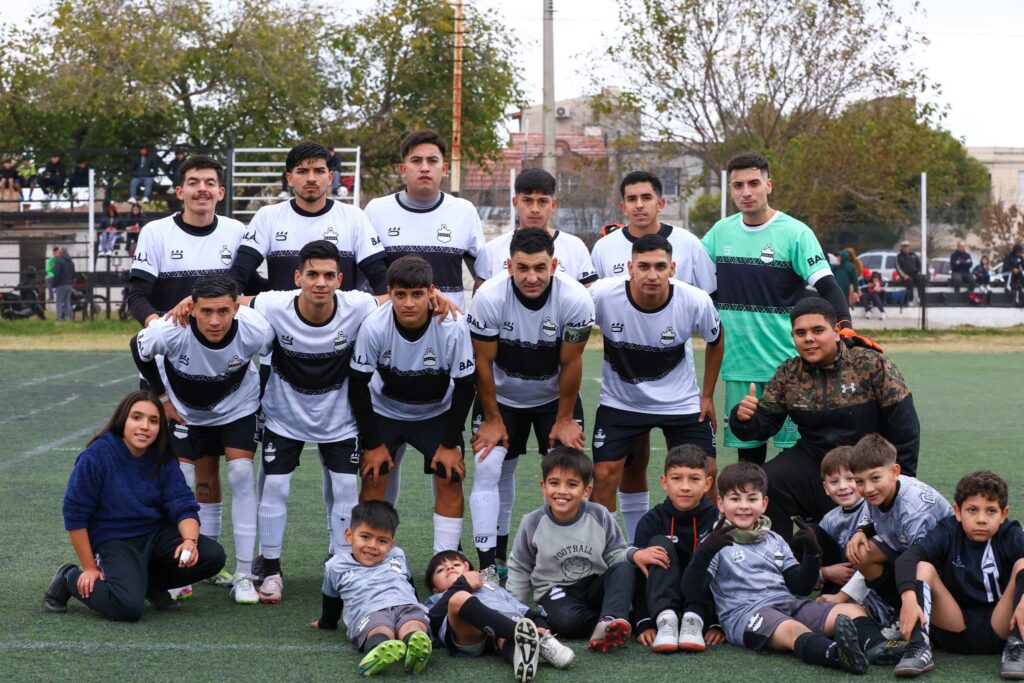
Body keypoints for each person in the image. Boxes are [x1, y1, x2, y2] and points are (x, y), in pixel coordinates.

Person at [701, 153, 877, 468]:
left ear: (768, 185)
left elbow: (828, 287)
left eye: (754, 183)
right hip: (740, 367)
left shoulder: (796, 233)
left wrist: (844, 326)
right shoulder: (719, 233)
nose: (746, 192)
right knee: (749, 461)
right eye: (738, 185)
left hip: (791, 369)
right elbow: (688, 275)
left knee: (800, 457)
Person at [125, 156, 249, 589]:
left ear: (220, 191)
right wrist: (161, 328)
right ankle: (170, 558)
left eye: (210, 182)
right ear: (180, 191)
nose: (201, 189)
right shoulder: (156, 232)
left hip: (220, 371)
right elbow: (137, 293)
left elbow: (254, 291)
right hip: (168, 370)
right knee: (172, 469)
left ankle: (204, 561)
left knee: (210, 464)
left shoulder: (237, 233)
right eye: (193, 182)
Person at [681, 462, 906, 674]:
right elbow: (692, 591)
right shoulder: (713, 542)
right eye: (735, 499)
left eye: (752, 498)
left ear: (764, 503)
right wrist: (704, 552)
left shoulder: (774, 539)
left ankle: (877, 647)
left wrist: (812, 554)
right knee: (792, 629)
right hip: (747, 615)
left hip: (788, 603)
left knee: (852, 610)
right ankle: (837, 655)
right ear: (721, 503)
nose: (744, 506)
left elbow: (801, 586)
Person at [130, 275, 274, 604]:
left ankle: (244, 574)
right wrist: (162, 399)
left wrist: (264, 396)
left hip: (237, 406)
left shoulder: (256, 328)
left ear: (236, 308)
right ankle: (181, 572)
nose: (215, 321)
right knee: (182, 479)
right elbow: (138, 348)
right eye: (206, 311)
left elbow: (271, 355)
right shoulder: (171, 329)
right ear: (192, 309)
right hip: (184, 410)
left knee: (241, 473)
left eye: (223, 311)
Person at [249, 240, 378, 603]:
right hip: (283, 417)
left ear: (340, 280)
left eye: (328, 275)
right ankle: (270, 568)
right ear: (298, 278)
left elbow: (396, 304)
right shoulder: (273, 304)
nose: (320, 282)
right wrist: (189, 302)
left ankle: (341, 565)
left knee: (346, 487)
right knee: (275, 487)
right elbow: (231, 303)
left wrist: (435, 300)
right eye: (312, 274)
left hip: (339, 419)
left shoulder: (359, 305)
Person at [728, 297, 920, 537]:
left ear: (836, 332)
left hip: (864, 464)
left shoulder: (872, 365)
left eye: (817, 330)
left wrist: (900, 484)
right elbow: (761, 427)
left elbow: (905, 429)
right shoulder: (789, 373)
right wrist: (742, 418)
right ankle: (778, 553)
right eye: (800, 333)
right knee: (769, 480)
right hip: (814, 461)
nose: (809, 338)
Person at [590, 171, 717, 524]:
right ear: (630, 267)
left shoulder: (689, 251)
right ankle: (621, 548)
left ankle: (707, 544)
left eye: (646, 197)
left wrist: (707, 395)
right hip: (623, 394)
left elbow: (713, 328)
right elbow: (579, 313)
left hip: (679, 392)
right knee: (620, 468)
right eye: (632, 198)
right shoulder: (604, 257)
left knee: (705, 471)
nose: (651, 274)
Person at [467, 228, 594, 572]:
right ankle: (489, 566)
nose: (532, 277)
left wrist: (564, 419)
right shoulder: (489, 297)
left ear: (553, 265)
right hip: (502, 397)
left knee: (567, 473)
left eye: (540, 267)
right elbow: (482, 362)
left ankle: (564, 559)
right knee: (489, 467)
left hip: (553, 398)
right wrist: (493, 419)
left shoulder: (576, 298)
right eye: (522, 268)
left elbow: (572, 362)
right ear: (509, 266)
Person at [43, 391, 226, 621]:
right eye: (137, 417)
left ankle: (148, 585)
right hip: (116, 539)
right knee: (128, 608)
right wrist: (89, 568)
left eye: (153, 421)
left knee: (212, 556)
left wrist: (190, 541)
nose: (145, 426)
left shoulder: (162, 457)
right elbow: (75, 516)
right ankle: (68, 577)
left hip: (155, 534)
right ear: (122, 420)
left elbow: (183, 505)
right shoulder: (96, 456)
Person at [349, 255, 475, 553]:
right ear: (389, 293)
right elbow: (357, 385)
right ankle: (372, 560)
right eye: (400, 294)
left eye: (417, 294)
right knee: (373, 474)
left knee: (450, 474)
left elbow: (466, 385)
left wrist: (449, 444)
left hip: (435, 412)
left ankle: (446, 557)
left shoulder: (453, 325)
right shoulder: (374, 325)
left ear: (431, 292)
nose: (408, 303)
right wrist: (373, 443)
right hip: (386, 410)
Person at [893, 471, 1024, 678]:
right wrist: (908, 598)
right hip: (954, 625)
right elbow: (907, 558)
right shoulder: (948, 530)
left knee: (1022, 564)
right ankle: (919, 645)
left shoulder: (1010, 533)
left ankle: (1017, 647)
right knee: (923, 567)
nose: (981, 520)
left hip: (1003, 627)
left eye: (991, 511)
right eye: (972, 510)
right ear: (958, 511)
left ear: (1003, 514)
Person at [506, 447, 636, 651]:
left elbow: (614, 553)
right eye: (554, 483)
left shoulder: (599, 514)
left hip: (593, 585)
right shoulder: (532, 522)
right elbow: (520, 567)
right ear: (543, 486)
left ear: (586, 491)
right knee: (567, 622)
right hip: (555, 590)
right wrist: (515, 610)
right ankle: (619, 623)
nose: (562, 491)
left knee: (625, 568)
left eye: (572, 484)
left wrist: (634, 554)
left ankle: (609, 620)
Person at [229, 140, 388, 295]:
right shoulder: (267, 216)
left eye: (319, 171)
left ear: (330, 177)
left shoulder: (354, 217)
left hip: (342, 315)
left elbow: (381, 280)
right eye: (302, 171)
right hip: (280, 314)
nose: (311, 178)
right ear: (289, 178)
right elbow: (240, 273)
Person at [364, 130, 485, 310]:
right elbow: (364, 278)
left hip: (447, 323)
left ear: (444, 169)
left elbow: (484, 277)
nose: (425, 168)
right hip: (391, 323)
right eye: (416, 160)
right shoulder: (376, 211)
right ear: (403, 169)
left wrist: (474, 317)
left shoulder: (465, 212)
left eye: (432, 160)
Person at [312, 501, 433, 677]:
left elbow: (409, 583)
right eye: (365, 537)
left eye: (382, 540)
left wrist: (416, 606)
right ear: (349, 535)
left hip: (405, 604)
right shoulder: (336, 566)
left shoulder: (397, 554)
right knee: (379, 628)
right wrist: (326, 623)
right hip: (370, 611)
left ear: (391, 543)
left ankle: (416, 643)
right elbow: (331, 599)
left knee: (414, 623)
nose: (373, 545)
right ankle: (381, 648)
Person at [423, 550, 576, 680]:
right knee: (458, 598)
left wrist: (541, 626)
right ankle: (538, 640)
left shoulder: (493, 588)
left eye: (456, 564)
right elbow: (432, 621)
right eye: (440, 570)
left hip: (503, 627)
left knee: (505, 636)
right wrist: (461, 584)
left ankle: (520, 657)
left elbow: (529, 613)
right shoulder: (436, 599)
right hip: (469, 635)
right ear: (434, 589)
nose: (449, 567)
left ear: (467, 568)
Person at [628, 444, 722, 653]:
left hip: (701, 608)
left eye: (694, 479)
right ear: (664, 482)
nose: (685, 487)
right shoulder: (651, 520)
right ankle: (666, 619)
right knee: (658, 543)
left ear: (707, 483)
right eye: (677, 478)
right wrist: (643, 621)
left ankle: (695, 618)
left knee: (708, 547)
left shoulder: (717, 521)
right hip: (660, 607)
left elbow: (728, 575)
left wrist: (717, 622)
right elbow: (639, 574)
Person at [845, 434, 953, 609]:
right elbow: (873, 519)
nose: (868, 488)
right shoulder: (880, 490)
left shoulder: (914, 509)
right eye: (859, 481)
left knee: (918, 572)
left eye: (875, 478)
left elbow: (922, 562)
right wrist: (860, 532)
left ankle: (921, 613)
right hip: (907, 549)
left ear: (895, 472)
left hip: (942, 564)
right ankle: (896, 608)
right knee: (860, 552)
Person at [475, 168, 598, 286]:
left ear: (553, 204)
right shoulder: (492, 251)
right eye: (527, 200)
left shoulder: (575, 247)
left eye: (542, 201)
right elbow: (481, 298)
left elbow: (589, 295)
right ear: (515, 202)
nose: (535, 209)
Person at [812, 446, 869, 598]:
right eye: (834, 481)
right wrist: (826, 573)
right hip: (841, 578)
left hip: (871, 578)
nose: (843, 486)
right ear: (826, 488)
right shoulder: (829, 520)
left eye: (850, 478)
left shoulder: (873, 508)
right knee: (809, 533)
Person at [896, 240, 926, 307]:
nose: (906, 248)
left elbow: (919, 264)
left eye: (907, 246)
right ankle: (910, 300)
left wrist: (919, 271)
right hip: (906, 274)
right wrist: (903, 275)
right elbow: (898, 267)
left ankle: (920, 298)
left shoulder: (913, 255)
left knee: (920, 280)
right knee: (909, 282)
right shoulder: (899, 256)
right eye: (904, 247)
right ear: (902, 248)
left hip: (915, 273)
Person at [52, 245, 75, 321]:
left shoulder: (59, 260)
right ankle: (68, 318)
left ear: (61, 252)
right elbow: (73, 273)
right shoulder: (70, 261)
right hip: (69, 284)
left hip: (61, 284)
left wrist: (54, 284)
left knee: (59, 301)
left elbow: (57, 274)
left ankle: (59, 318)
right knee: (67, 301)